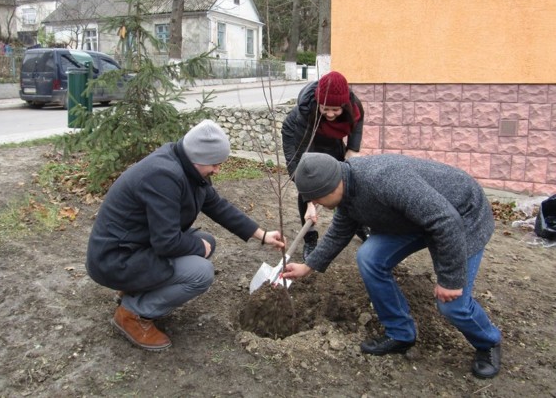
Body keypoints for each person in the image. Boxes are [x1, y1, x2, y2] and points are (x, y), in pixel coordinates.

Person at [282, 152, 502, 379]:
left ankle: (488, 342)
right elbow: (340, 231)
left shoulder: (384, 180)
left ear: (331, 186)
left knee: (453, 305)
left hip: (461, 216)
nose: (315, 204)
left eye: (316, 198)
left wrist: (451, 279)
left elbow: (445, 221)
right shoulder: (345, 188)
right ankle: (400, 333)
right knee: (370, 257)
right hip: (414, 219)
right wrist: (308, 266)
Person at [86, 119, 285, 351]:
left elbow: (217, 205)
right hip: (114, 260)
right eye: (215, 164)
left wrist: (262, 235)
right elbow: (166, 242)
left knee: (208, 242)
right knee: (201, 273)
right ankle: (132, 314)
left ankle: (137, 289)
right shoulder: (163, 177)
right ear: (198, 157)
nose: (217, 170)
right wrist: (198, 247)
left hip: (137, 247)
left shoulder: (186, 165)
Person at [281, 71, 366, 260]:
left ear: (344, 105)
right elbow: (304, 162)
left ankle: (357, 224)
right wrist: (310, 200)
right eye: (325, 108)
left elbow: (357, 127)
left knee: (346, 181)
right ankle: (310, 238)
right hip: (298, 137)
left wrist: (352, 150)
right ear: (318, 103)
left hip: (329, 138)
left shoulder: (354, 107)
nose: (330, 113)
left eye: (335, 109)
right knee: (307, 182)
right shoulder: (306, 111)